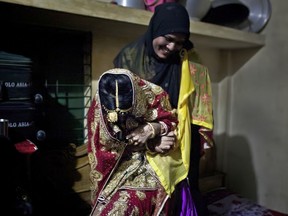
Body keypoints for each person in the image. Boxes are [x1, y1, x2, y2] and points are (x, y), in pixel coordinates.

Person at [113, 2, 214, 215]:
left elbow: (195, 112)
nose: (172, 48)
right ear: (156, 29)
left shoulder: (188, 60)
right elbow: (119, 114)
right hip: (140, 143)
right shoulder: (128, 59)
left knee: (184, 198)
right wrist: (152, 138)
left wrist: (172, 134)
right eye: (168, 39)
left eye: (179, 42)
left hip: (181, 139)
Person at [87, 68, 198, 215]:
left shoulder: (154, 94)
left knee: (129, 206)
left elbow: (174, 125)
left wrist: (152, 128)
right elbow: (104, 149)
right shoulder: (98, 109)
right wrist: (150, 144)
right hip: (117, 168)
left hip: (155, 164)